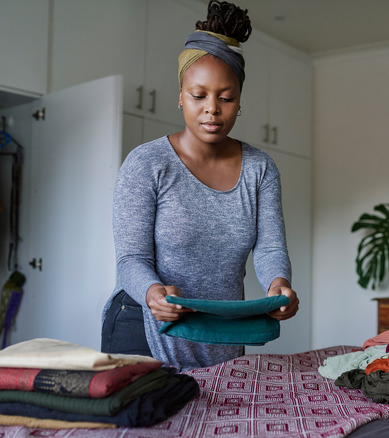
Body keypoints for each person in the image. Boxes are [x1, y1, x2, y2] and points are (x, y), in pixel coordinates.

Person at [100, 0, 299, 371]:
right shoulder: (147, 164)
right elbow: (131, 259)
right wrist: (152, 293)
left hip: (221, 327)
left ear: (239, 102)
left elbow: (270, 247)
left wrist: (278, 283)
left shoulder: (260, 169)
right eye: (199, 95)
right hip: (145, 321)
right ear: (180, 97)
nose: (213, 108)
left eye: (226, 97)